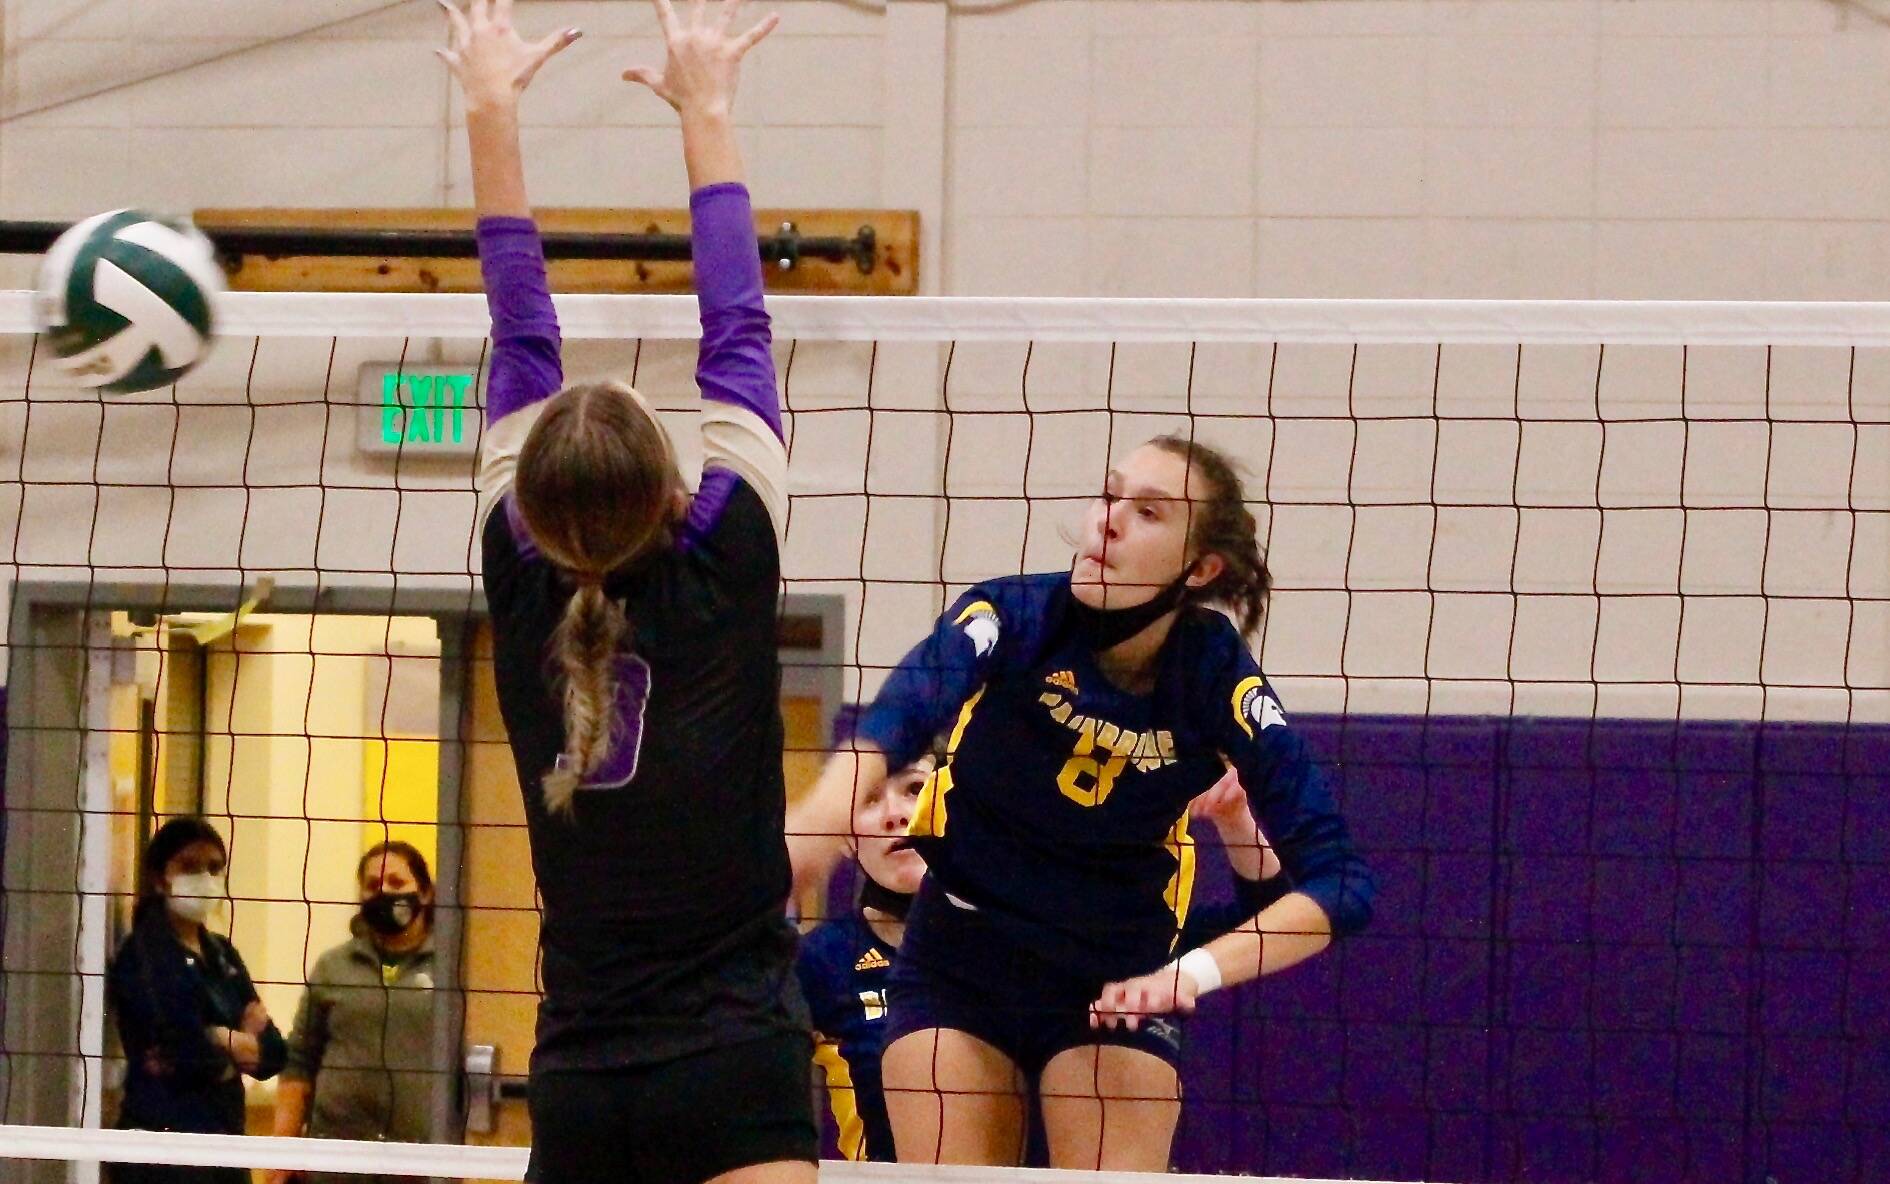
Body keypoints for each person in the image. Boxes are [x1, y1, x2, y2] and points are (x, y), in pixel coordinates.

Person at [442, 0, 812, 1180]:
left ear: (534, 505)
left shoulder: (516, 567)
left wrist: (489, 108)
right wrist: (708, 110)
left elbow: (519, 330)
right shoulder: (727, 557)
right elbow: (737, 319)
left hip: (582, 1074)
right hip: (740, 1052)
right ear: (674, 484)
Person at [789, 435, 1376, 1170]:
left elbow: (1342, 884)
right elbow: (903, 712)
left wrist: (1186, 974)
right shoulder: (1016, 614)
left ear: (1200, 568)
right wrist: (808, 836)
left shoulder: (1215, 678)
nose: (1108, 520)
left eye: (1149, 511)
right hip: (961, 959)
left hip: (1115, 978)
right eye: (1108, 495)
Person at [794, 761, 1286, 1165]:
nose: (897, 815)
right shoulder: (822, 960)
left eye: (914, 789)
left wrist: (1235, 816)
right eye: (870, 800)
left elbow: (1269, 916)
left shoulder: (1100, 934)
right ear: (843, 836)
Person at [107, 817, 287, 1184]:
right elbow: (185, 1052)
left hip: (224, 1145)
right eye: (190, 866)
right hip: (159, 1151)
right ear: (160, 878)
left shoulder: (222, 953)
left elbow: (275, 1053)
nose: (204, 878)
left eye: (214, 868)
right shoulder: (142, 953)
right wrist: (235, 1040)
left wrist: (219, 1036)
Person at [268, 842, 441, 1184]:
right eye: (372, 885)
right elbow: (299, 1062)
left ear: (424, 893)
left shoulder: (452, 968)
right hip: (337, 1160)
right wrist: (282, 1153)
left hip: (421, 1163)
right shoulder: (333, 967)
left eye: (396, 882)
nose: (384, 892)